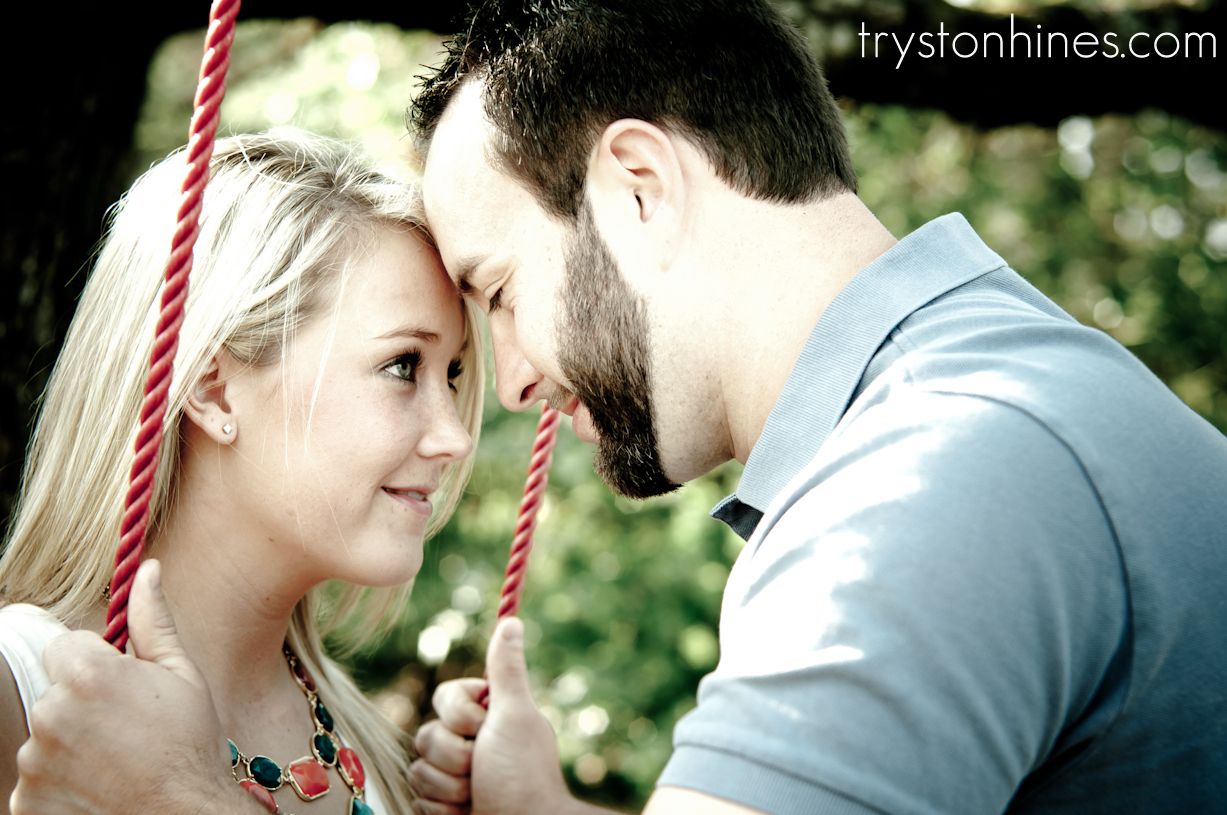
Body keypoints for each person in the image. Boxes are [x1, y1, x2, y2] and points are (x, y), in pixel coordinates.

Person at [12, 2, 1227, 814]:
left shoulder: (927, 487)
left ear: (638, 187)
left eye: (499, 292)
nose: (506, 388)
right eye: (406, 362)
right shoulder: (998, 396)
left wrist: (179, 801)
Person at [1, 127, 485, 815]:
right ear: (214, 389)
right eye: (403, 365)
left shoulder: (377, 748)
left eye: (452, 374)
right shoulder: (17, 696)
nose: (454, 437)